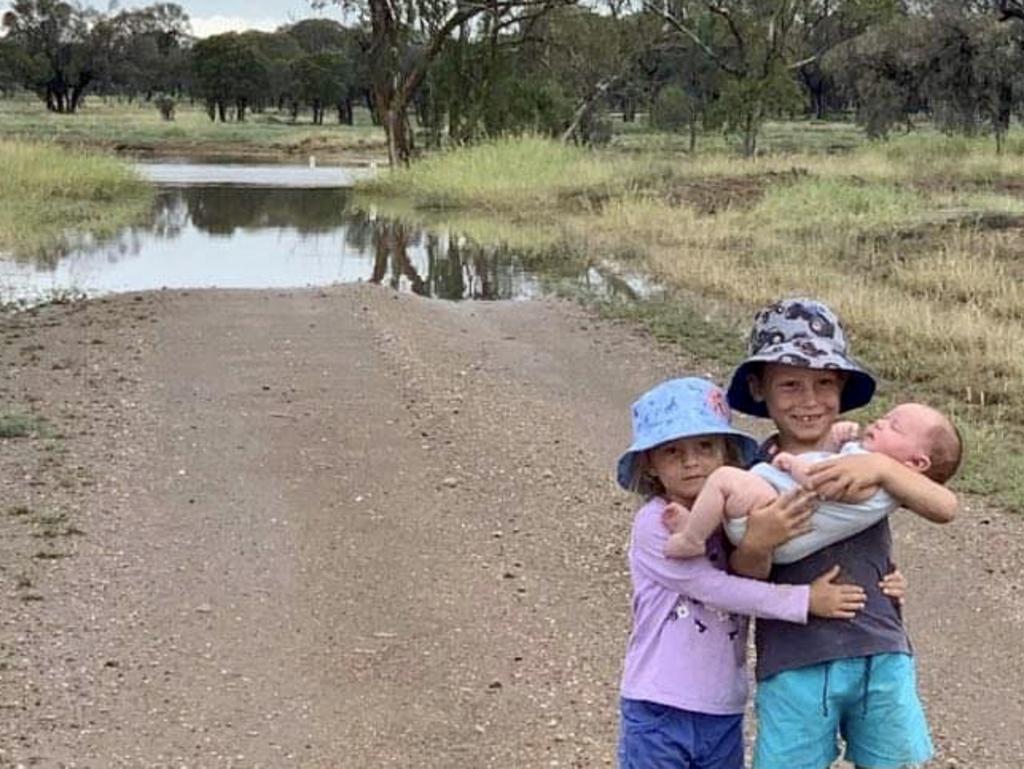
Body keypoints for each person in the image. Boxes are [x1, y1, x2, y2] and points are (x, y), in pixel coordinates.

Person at [723, 298, 958, 769]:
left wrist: (877, 467)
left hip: (881, 650)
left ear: (842, 387)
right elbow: (744, 580)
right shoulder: (752, 478)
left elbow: (945, 505)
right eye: (789, 385)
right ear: (758, 388)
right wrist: (758, 540)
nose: (809, 400)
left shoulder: (872, 456)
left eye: (824, 383)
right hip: (795, 659)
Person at [616, 376, 891, 769]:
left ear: (725, 454)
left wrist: (884, 577)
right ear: (651, 465)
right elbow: (713, 588)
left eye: (705, 447)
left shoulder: (732, 521)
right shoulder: (655, 522)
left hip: (723, 706)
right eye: (673, 451)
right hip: (660, 702)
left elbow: (788, 550)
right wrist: (805, 600)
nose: (691, 461)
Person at [663, 402, 962, 563]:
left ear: (916, 463)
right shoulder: (869, 469)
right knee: (730, 488)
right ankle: (698, 527)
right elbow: (825, 466)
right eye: (885, 417)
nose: (880, 422)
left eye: (893, 426)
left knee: (723, 479)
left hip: (774, 515)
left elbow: (820, 482)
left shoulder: (876, 483)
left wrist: (793, 463)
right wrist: (836, 441)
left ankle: (692, 538)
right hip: (771, 519)